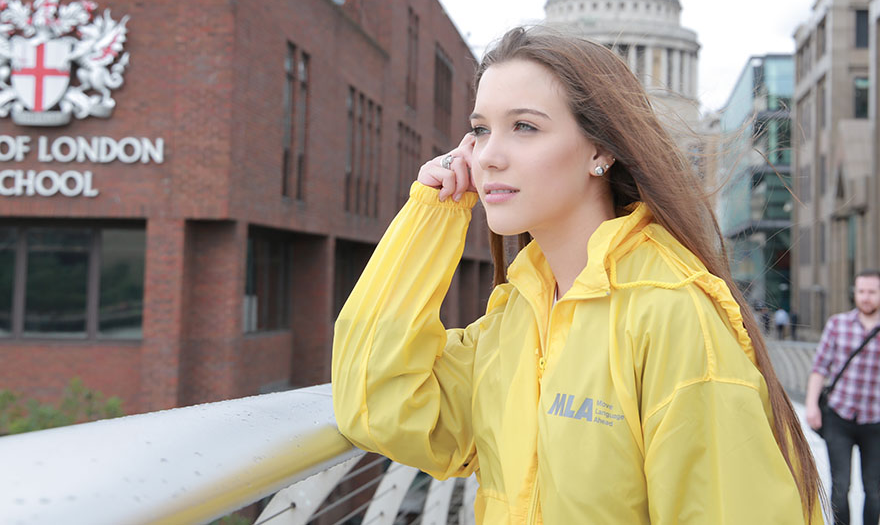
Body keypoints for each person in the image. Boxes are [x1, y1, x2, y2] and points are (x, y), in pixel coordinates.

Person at [332, 27, 825, 523]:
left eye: (524, 126)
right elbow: (378, 405)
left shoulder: (670, 312)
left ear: (599, 151)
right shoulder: (519, 313)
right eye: (480, 130)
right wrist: (431, 211)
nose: (487, 156)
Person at [804, 269, 880, 525]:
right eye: (861, 291)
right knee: (840, 485)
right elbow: (819, 368)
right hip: (839, 416)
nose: (866, 297)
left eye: (872, 292)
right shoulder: (837, 325)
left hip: (877, 421)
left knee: (872, 488)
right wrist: (811, 405)